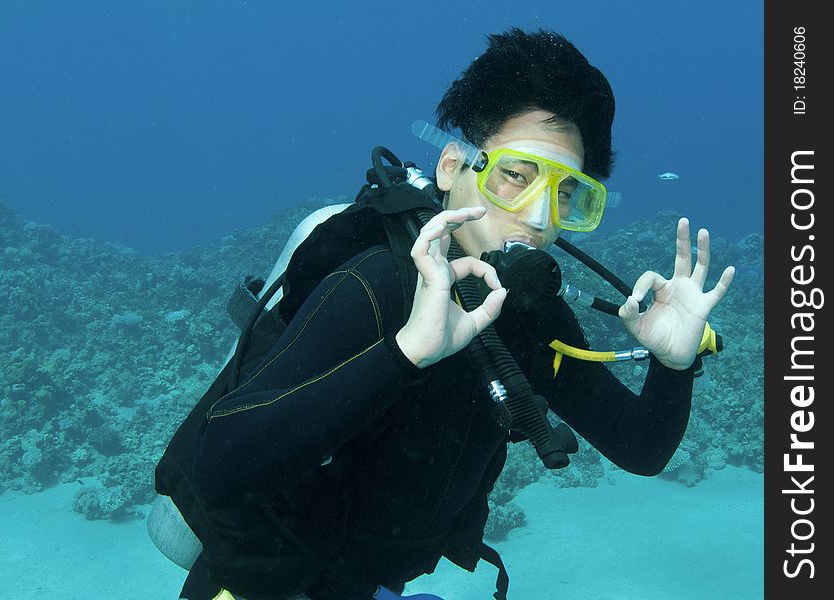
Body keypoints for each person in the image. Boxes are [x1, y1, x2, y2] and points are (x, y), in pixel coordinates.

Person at [151, 28, 735, 600]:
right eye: (515, 176)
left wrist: (673, 362)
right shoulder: (380, 282)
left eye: (565, 194)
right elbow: (220, 467)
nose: (538, 218)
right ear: (453, 167)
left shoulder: (534, 320)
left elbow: (639, 447)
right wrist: (406, 354)